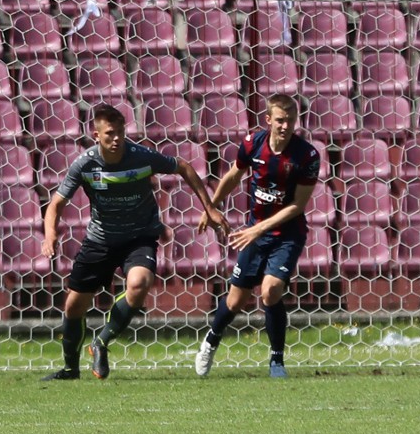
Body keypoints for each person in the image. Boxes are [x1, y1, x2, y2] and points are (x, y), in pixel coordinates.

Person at [41, 104, 228, 381]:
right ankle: (70, 369)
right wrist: (50, 235)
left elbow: (184, 167)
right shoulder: (85, 164)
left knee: (139, 284)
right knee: (73, 307)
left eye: (120, 132)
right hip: (101, 240)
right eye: (109, 134)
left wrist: (210, 207)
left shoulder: (140, 156)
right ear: (96, 135)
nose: (116, 139)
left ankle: (101, 342)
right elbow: (55, 204)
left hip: (139, 237)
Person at [194, 94, 320, 378]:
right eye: (280, 120)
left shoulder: (307, 155)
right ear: (268, 120)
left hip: (287, 234)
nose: (285, 126)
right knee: (236, 301)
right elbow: (233, 176)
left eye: (290, 120)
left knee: (271, 291)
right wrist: (211, 207)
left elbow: (298, 206)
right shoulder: (253, 144)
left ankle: (277, 360)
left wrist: (257, 229)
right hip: (255, 234)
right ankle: (212, 340)